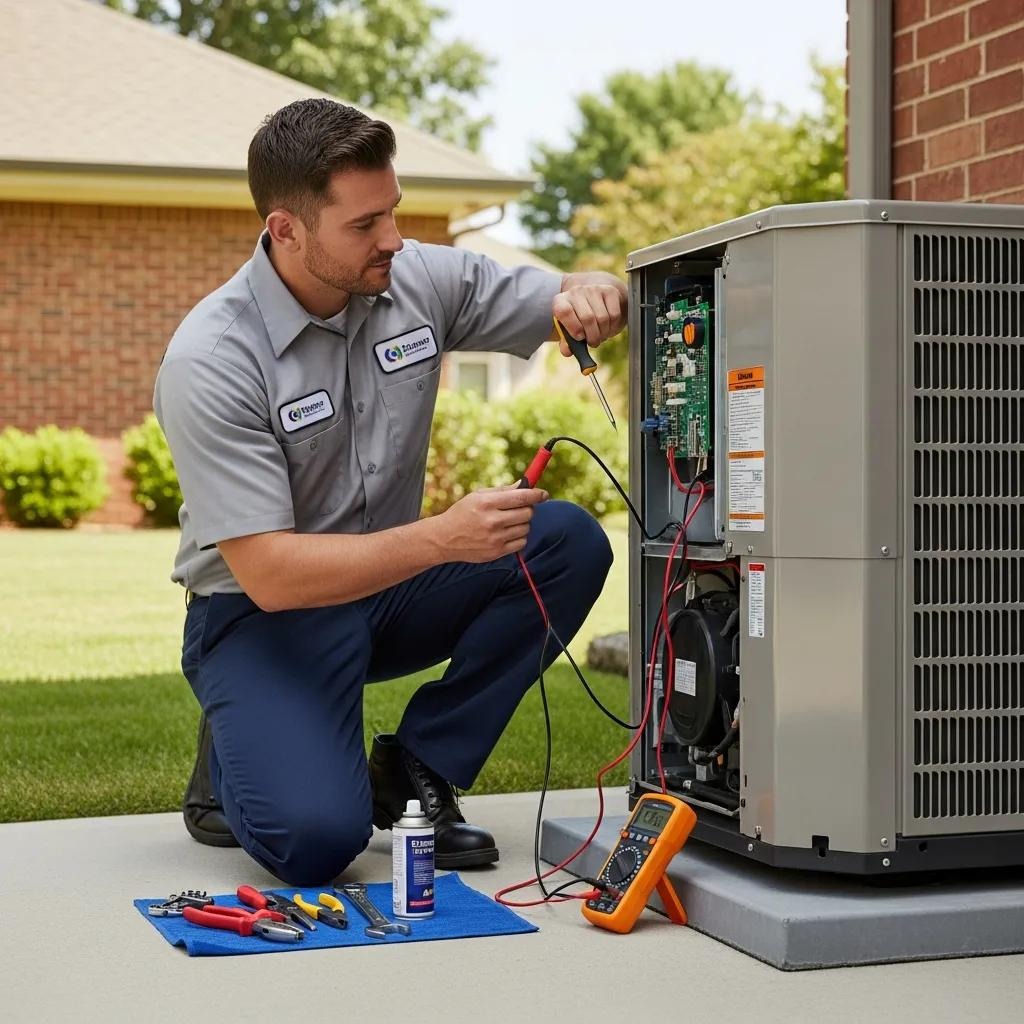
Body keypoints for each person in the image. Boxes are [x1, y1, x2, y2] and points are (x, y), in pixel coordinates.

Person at [154, 98, 626, 886]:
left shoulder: (416, 278)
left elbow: (561, 297)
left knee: (566, 542)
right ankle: (233, 754)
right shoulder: (213, 359)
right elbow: (270, 574)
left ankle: (417, 765)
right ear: (286, 230)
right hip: (261, 615)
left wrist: (591, 287)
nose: (394, 238)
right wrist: (443, 538)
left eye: (394, 210)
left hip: (388, 589)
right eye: (365, 223)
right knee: (316, 844)